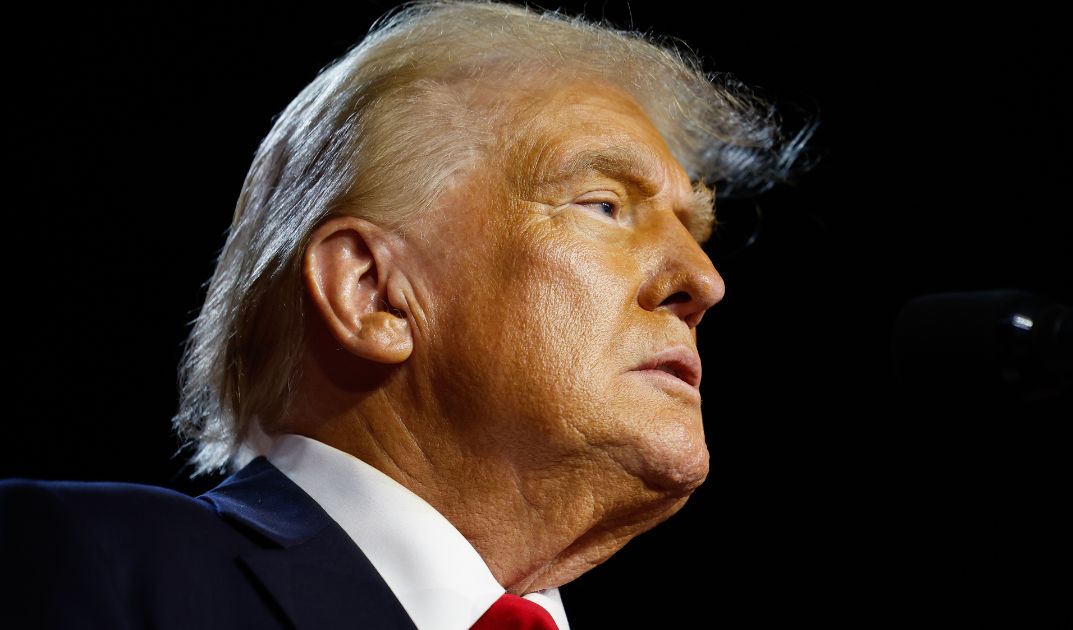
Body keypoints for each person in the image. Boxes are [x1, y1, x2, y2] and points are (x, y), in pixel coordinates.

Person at [0, 2, 806, 628]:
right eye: (603, 204)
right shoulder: (68, 561)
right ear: (373, 293)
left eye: (695, 231)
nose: (703, 280)